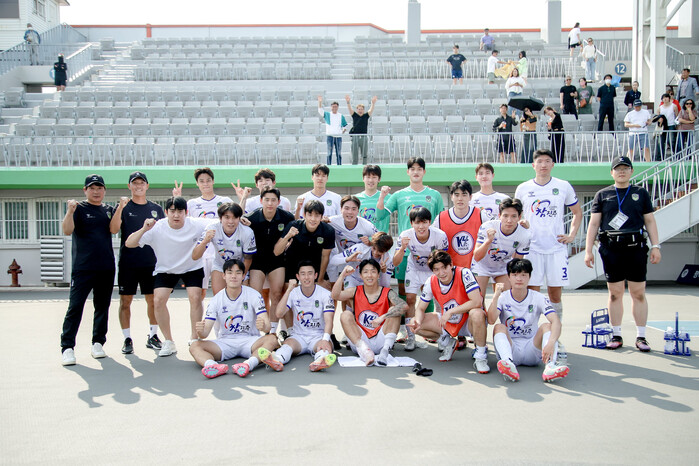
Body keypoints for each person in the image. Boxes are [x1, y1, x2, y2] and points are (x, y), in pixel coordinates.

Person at [583, 156, 661, 352]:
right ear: (612, 172)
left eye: (626, 168)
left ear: (631, 171)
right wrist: (588, 250)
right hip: (611, 249)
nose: (622, 171)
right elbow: (594, 224)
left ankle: (641, 337)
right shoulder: (602, 194)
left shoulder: (640, 193)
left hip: (636, 247)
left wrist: (656, 246)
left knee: (638, 293)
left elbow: (650, 221)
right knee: (615, 293)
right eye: (618, 168)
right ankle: (616, 334)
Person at [125, 196, 214, 357]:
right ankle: (168, 341)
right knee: (158, 300)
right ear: (166, 212)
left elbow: (219, 222)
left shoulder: (196, 224)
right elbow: (129, 243)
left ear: (186, 212)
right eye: (172, 211)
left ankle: (194, 338)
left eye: (180, 211)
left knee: (195, 297)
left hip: (192, 267)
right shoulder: (157, 227)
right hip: (166, 269)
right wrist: (144, 229)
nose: (176, 215)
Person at [514, 149, 582, 324]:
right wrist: (521, 223)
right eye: (539, 161)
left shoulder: (563, 186)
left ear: (553, 164)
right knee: (533, 292)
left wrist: (571, 235)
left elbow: (577, 212)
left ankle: (555, 330)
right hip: (532, 249)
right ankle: (532, 330)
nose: (543, 165)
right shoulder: (523, 188)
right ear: (533, 165)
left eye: (547, 161)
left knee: (555, 294)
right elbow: (516, 215)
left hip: (556, 248)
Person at [60, 175, 120, 366]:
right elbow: (67, 230)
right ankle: (67, 347)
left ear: (104, 190)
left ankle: (98, 343)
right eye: (92, 188)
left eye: (99, 188)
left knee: (102, 306)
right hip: (83, 268)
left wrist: (121, 208)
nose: (96, 191)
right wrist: (69, 211)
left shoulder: (108, 210)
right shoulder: (78, 208)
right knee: (75, 307)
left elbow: (114, 230)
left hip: (106, 267)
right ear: (85, 190)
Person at [189, 259, 279, 379]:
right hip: (225, 342)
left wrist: (263, 326)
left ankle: (248, 364)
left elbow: (267, 327)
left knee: (272, 339)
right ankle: (213, 366)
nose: (233, 276)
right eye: (230, 272)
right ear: (224, 276)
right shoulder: (216, 300)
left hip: (250, 341)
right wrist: (200, 331)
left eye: (238, 273)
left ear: (243, 276)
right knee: (194, 346)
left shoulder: (254, 295)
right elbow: (204, 334)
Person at [377, 157, 444, 318]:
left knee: (427, 288)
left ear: (424, 172)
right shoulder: (399, 195)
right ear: (407, 172)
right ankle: (403, 322)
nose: (416, 172)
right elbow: (380, 215)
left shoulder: (434, 195)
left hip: (428, 251)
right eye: (412, 169)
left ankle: (425, 322)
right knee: (403, 288)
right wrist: (382, 197)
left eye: (419, 169)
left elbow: (441, 221)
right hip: (406, 251)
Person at [488, 259, 569, 383]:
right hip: (511, 347)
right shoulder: (503, 297)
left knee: (547, 325)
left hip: (532, 348)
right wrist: (495, 296)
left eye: (523, 275)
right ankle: (508, 364)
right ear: (509, 277)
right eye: (515, 275)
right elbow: (491, 320)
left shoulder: (538, 297)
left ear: (529, 277)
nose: (519, 279)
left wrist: (551, 343)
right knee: (499, 327)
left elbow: (556, 321)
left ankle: (550, 366)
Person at [112, 171, 166, 354]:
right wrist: (120, 207)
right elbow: (114, 229)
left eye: (141, 183)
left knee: (153, 301)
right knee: (125, 301)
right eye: (134, 183)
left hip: (150, 262)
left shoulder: (156, 209)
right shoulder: (123, 207)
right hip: (128, 262)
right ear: (129, 186)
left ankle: (153, 335)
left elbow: (163, 233)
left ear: (147, 186)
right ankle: (127, 338)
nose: (138, 186)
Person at [410, 250, 486, 369]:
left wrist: (451, 311)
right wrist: (418, 322)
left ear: (451, 265)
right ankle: (448, 342)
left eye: (444, 267)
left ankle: (481, 357)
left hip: (469, 321)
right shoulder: (431, 281)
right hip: (448, 321)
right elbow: (420, 308)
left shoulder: (464, 273)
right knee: (414, 323)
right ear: (432, 270)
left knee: (477, 313)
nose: (441, 273)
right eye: (436, 269)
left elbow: (477, 301)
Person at [258, 261, 337, 372]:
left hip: (318, 336)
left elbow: (329, 321)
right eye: (303, 274)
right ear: (298, 276)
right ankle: (276, 360)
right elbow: (279, 313)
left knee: (325, 347)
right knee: (287, 345)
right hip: (299, 336)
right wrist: (288, 290)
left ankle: (320, 361)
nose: (306, 277)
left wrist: (325, 339)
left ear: (315, 275)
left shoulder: (325, 294)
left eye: (310, 273)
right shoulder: (293, 292)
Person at [393, 207, 449, 351]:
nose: (421, 226)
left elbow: (444, 259)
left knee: (438, 300)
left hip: (432, 269)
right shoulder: (405, 235)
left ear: (430, 222)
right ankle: (411, 338)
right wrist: (402, 248)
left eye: (424, 222)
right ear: (412, 223)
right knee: (410, 299)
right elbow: (395, 262)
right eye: (417, 222)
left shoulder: (440, 235)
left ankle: (442, 336)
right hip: (414, 269)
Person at [333, 260, 408, 366]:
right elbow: (335, 296)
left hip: (381, 338)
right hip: (361, 339)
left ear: (378, 275)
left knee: (394, 311)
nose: (369, 275)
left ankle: (385, 351)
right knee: (345, 314)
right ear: (360, 275)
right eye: (366, 272)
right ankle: (365, 352)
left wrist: (383, 317)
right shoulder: (354, 291)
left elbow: (404, 306)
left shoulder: (387, 292)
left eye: (373, 271)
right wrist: (342, 275)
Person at [172, 167, 233, 294]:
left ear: (213, 181)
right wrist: (177, 199)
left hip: (220, 252)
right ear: (197, 183)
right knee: (200, 292)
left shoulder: (225, 201)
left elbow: (237, 219)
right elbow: (183, 225)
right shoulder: (191, 204)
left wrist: (242, 198)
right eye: (202, 181)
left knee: (221, 291)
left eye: (208, 180)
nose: (205, 184)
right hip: (201, 252)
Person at [245, 187, 296, 335]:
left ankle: (273, 331)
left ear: (278, 202)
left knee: (277, 294)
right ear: (261, 200)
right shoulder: (251, 218)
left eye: (273, 200)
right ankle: (254, 330)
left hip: (277, 260)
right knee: (255, 295)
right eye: (266, 200)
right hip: (257, 261)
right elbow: (236, 219)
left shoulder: (287, 217)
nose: (270, 203)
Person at [472, 197, 531, 298]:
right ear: (499, 216)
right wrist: (488, 241)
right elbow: (477, 257)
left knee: (506, 298)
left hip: (503, 267)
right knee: (478, 300)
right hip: (481, 266)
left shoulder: (525, 234)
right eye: (505, 216)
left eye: (514, 216)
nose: (509, 220)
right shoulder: (487, 227)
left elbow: (516, 263)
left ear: (519, 217)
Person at [193, 202, 256, 295]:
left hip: (240, 266)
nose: (231, 221)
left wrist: (241, 275)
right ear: (220, 218)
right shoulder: (211, 228)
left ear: (239, 218)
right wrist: (205, 241)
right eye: (227, 217)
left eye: (234, 218)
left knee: (240, 297)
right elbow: (195, 256)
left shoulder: (247, 232)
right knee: (219, 296)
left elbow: (248, 259)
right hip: (220, 266)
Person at [275, 200, 336, 290]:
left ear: (321, 216)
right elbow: (276, 252)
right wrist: (288, 236)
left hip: (315, 265)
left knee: (326, 288)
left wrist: (320, 279)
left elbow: (325, 256)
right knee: (289, 290)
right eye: (310, 215)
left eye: (317, 215)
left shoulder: (328, 230)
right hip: (293, 264)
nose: (313, 219)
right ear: (304, 215)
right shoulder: (294, 225)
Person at [433, 180, 490, 269]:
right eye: (456, 195)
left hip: (477, 270)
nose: (460, 198)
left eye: (464, 195)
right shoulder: (440, 218)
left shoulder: (481, 215)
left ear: (470, 197)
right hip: (450, 271)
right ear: (451, 197)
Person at [326, 195, 377, 284]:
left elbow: (382, 239)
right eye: (346, 208)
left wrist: (370, 243)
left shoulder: (367, 226)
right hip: (343, 260)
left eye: (354, 209)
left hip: (362, 263)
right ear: (341, 209)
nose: (350, 212)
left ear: (358, 211)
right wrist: (322, 221)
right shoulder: (332, 221)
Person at [330, 231, 395, 288]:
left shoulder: (389, 259)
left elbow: (384, 285)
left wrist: (383, 272)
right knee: (350, 295)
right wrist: (347, 259)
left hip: (370, 283)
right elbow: (333, 260)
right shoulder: (359, 248)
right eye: (374, 248)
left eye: (380, 251)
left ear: (387, 250)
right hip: (353, 279)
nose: (375, 253)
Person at [356, 164, 391, 233]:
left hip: (381, 238)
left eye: (374, 177)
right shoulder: (356, 199)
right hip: (361, 238)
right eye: (368, 177)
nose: (371, 180)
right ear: (363, 178)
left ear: (379, 179)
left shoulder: (387, 197)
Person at [346, 95, 377, 165]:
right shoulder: (355, 115)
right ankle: (354, 166)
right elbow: (350, 109)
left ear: (363, 110)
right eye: (359, 109)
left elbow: (371, 110)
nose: (360, 110)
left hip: (364, 137)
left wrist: (373, 103)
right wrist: (348, 102)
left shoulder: (365, 116)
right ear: (357, 110)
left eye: (361, 109)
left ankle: (365, 166)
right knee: (355, 155)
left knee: (364, 154)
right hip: (355, 137)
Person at [318, 96, 348, 165]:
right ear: (331, 107)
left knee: (339, 153)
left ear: (338, 107)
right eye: (333, 106)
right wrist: (320, 102)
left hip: (338, 137)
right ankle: (329, 166)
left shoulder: (340, 116)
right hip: (330, 136)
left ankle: (339, 166)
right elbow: (320, 111)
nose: (334, 108)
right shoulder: (328, 114)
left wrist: (343, 131)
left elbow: (345, 125)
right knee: (329, 153)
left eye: (336, 107)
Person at [656, 93, 678, 157]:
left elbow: (677, 116)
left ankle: (675, 154)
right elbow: (657, 117)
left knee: (672, 140)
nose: (665, 99)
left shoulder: (674, 106)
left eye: (666, 97)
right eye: (663, 98)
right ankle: (660, 156)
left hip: (671, 124)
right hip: (662, 126)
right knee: (660, 141)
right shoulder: (660, 108)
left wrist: (677, 124)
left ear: (669, 98)